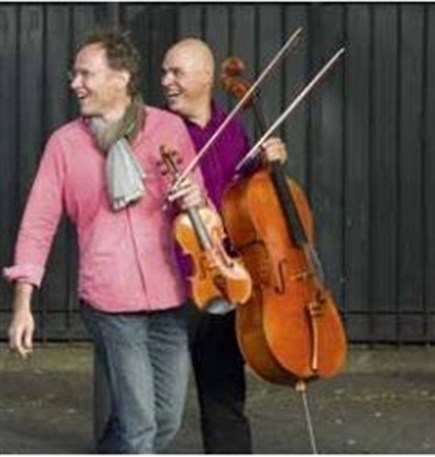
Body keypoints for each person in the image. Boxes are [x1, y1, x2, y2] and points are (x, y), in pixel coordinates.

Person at [4, 30, 206, 454]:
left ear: (121, 77)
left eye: (85, 74)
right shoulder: (65, 144)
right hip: (109, 301)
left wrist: (195, 197)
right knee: (140, 426)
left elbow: (197, 200)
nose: (75, 83)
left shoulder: (167, 128)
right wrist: (23, 305)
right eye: (74, 74)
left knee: (165, 419)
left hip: (169, 294)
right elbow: (38, 224)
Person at [161, 37, 287, 453]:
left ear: (206, 77)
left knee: (225, 400)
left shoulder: (232, 129)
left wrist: (266, 166)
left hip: (222, 279)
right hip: (171, 281)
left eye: (176, 72)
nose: (166, 81)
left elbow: (243, 201)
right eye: (165, 72)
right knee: (155, 408)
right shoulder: (156, 131)